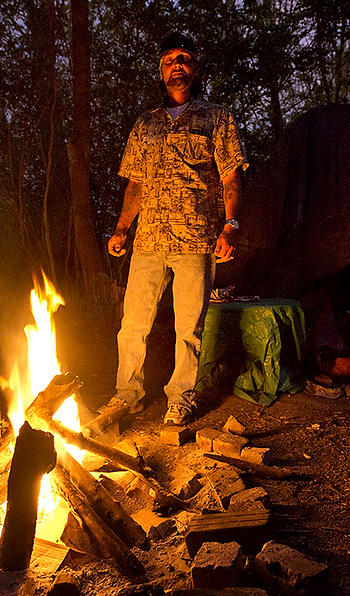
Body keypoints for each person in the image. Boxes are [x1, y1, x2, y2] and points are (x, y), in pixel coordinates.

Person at [101, 32, 248, 426]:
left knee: (189, 328)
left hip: (196, 238)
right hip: (148, 238)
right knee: (132, 325)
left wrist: (230, 226)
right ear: (161, 71)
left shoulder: (217, 118)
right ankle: (126, 395)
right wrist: (121, 230)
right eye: (169, 60)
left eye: (183, 58)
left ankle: (180, 398)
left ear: (194, 68)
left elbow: (231, 175)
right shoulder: (145, 124)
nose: (176, 65)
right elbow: (135, 183)